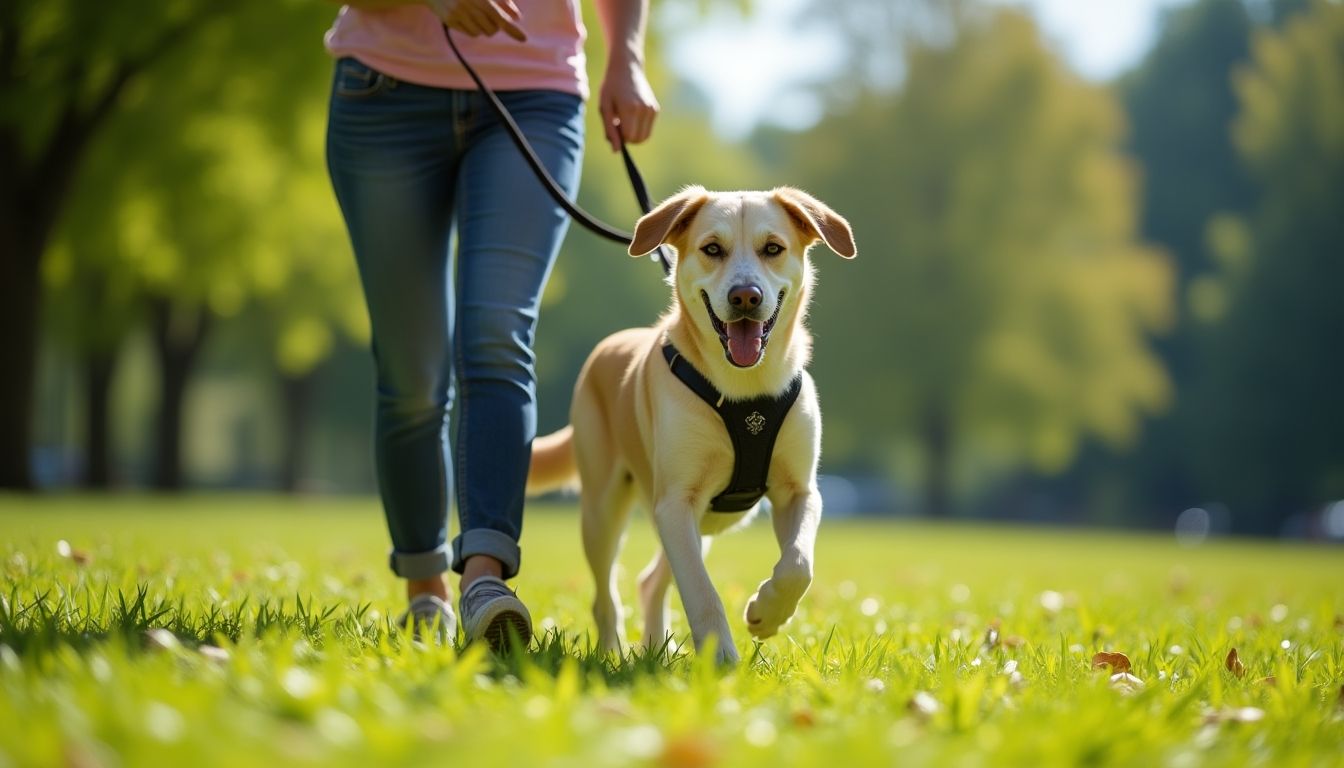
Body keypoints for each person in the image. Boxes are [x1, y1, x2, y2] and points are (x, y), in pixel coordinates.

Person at [323, 0, 659, 649]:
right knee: (413, 371)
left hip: (536, 96)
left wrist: (627, 56)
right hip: (383, 93)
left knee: (497, 334)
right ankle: (426, 590)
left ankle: (485, 580)